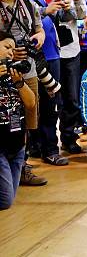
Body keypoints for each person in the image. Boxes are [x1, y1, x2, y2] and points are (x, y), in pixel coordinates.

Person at [14, 0, 69, 167]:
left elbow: (67, 17)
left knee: (50, 102)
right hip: (24, 57)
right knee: (25, 104)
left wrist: (66, 6)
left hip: (51, 53)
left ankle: (50, 148)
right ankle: (26, 152)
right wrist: (45, 10)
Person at [0, 0, 47, 186]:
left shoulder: (27, 5)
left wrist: (38, 38)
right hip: (1, 74)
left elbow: (39, 31)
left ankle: (22, 165)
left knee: (28, 120)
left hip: (27, 71)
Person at [43, 0, 87, 154]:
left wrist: (74, 1)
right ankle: (45, 142)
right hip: (49, 51)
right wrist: (51, 5)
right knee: (50, 99)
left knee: (72, 98)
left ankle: (69, 138)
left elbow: (80, 17)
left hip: (70, 50)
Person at [0, 31, 36, 209]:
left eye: (13, 50)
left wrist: (19, 83)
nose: (10, 53)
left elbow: (31, 104)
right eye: (7, 47)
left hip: (17, 144)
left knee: (9, 198)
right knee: (5, 201)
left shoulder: (14, 73)